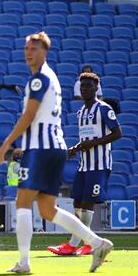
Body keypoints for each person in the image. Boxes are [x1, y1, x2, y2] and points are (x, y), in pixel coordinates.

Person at [0, 32, 113, 274]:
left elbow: (29, 116)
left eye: (35, 48)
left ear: (45, 52)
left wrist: (8, 142)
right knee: (48, 210)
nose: (29, 52)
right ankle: (97, 243)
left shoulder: (39, 79)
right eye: (27, 48)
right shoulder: (51, 78)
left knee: (23, 202)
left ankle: (24, 262)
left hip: (41, 149)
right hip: (54, 147)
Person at [48, 72, 121, 257]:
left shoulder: (104, 109)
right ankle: (88, 242)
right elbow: (86, 138)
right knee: (78, 202)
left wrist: (92, 144)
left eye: (89, 86)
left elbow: (117, 133)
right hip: (84, 164)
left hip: (99, 164)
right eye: (83, 86)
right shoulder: (80, 112)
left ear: (97, 88)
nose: (85, 89)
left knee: (88, 202)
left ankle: (75, 244)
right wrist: (77, 147)